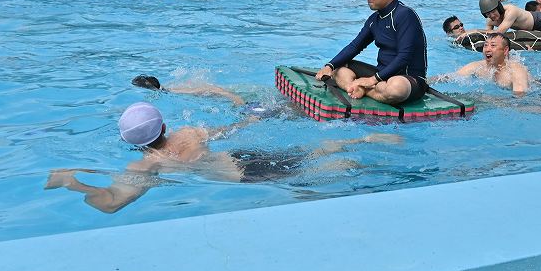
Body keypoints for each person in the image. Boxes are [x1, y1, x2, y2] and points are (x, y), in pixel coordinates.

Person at [45, 101, 401, 213]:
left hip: (245, 178)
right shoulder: (189, 132)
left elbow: (110, 203)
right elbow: (231, 128)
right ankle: (365, 138)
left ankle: (359, 165)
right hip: (243, 156)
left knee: (313, 182)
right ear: (164, 124)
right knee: (307, 153)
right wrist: (255, 116)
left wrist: (71, 181)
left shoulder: (147, 164)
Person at [315, 0, 428, 104]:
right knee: (338, 69)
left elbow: (404, 56)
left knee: (396, 88)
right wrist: (329, 66)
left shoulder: (405, 15)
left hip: (408, 79)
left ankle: (365, 89)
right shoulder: (374, 19)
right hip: (381, 75)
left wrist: (372, 80)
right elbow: (355, 46)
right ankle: (355, 88)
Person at [444, 33, 529, 97]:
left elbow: (520, 98)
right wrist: (430, 81)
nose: (487, 49)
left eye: (493, 45)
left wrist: (488, 100)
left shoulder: (515, 70)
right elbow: (452, 77)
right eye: (485, 45)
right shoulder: (478, 66)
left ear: (505, 50)